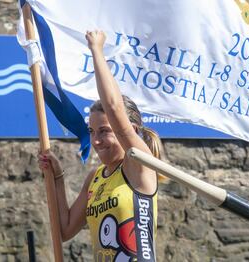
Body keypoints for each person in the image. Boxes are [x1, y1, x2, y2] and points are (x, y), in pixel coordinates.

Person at [38, 30, 162, 262]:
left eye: (104, 131)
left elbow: (114, 108)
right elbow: (64, 230)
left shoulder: (140, 163)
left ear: (132, 131)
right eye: (92, 132)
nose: (95, 141)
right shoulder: (95, 178)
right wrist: (57, 179)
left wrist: (96, 50)